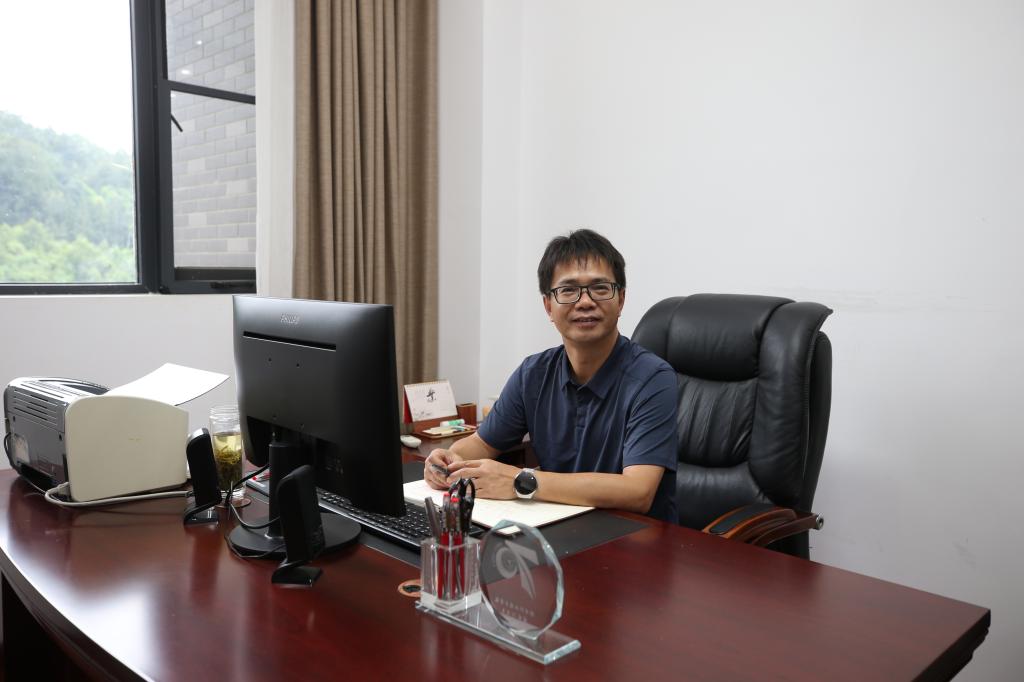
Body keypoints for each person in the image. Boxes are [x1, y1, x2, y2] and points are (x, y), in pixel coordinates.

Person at [424, 229, 678, 522]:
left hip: (634, 536)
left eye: (600, 288)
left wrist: (521, 481)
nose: (585, 301)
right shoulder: (533, 374)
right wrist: (448, 460)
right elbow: (481, 444)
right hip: (557, 528)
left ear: (621, 299)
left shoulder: (653, 379)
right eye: (568, 290)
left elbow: (638, 491)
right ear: (548, 306)